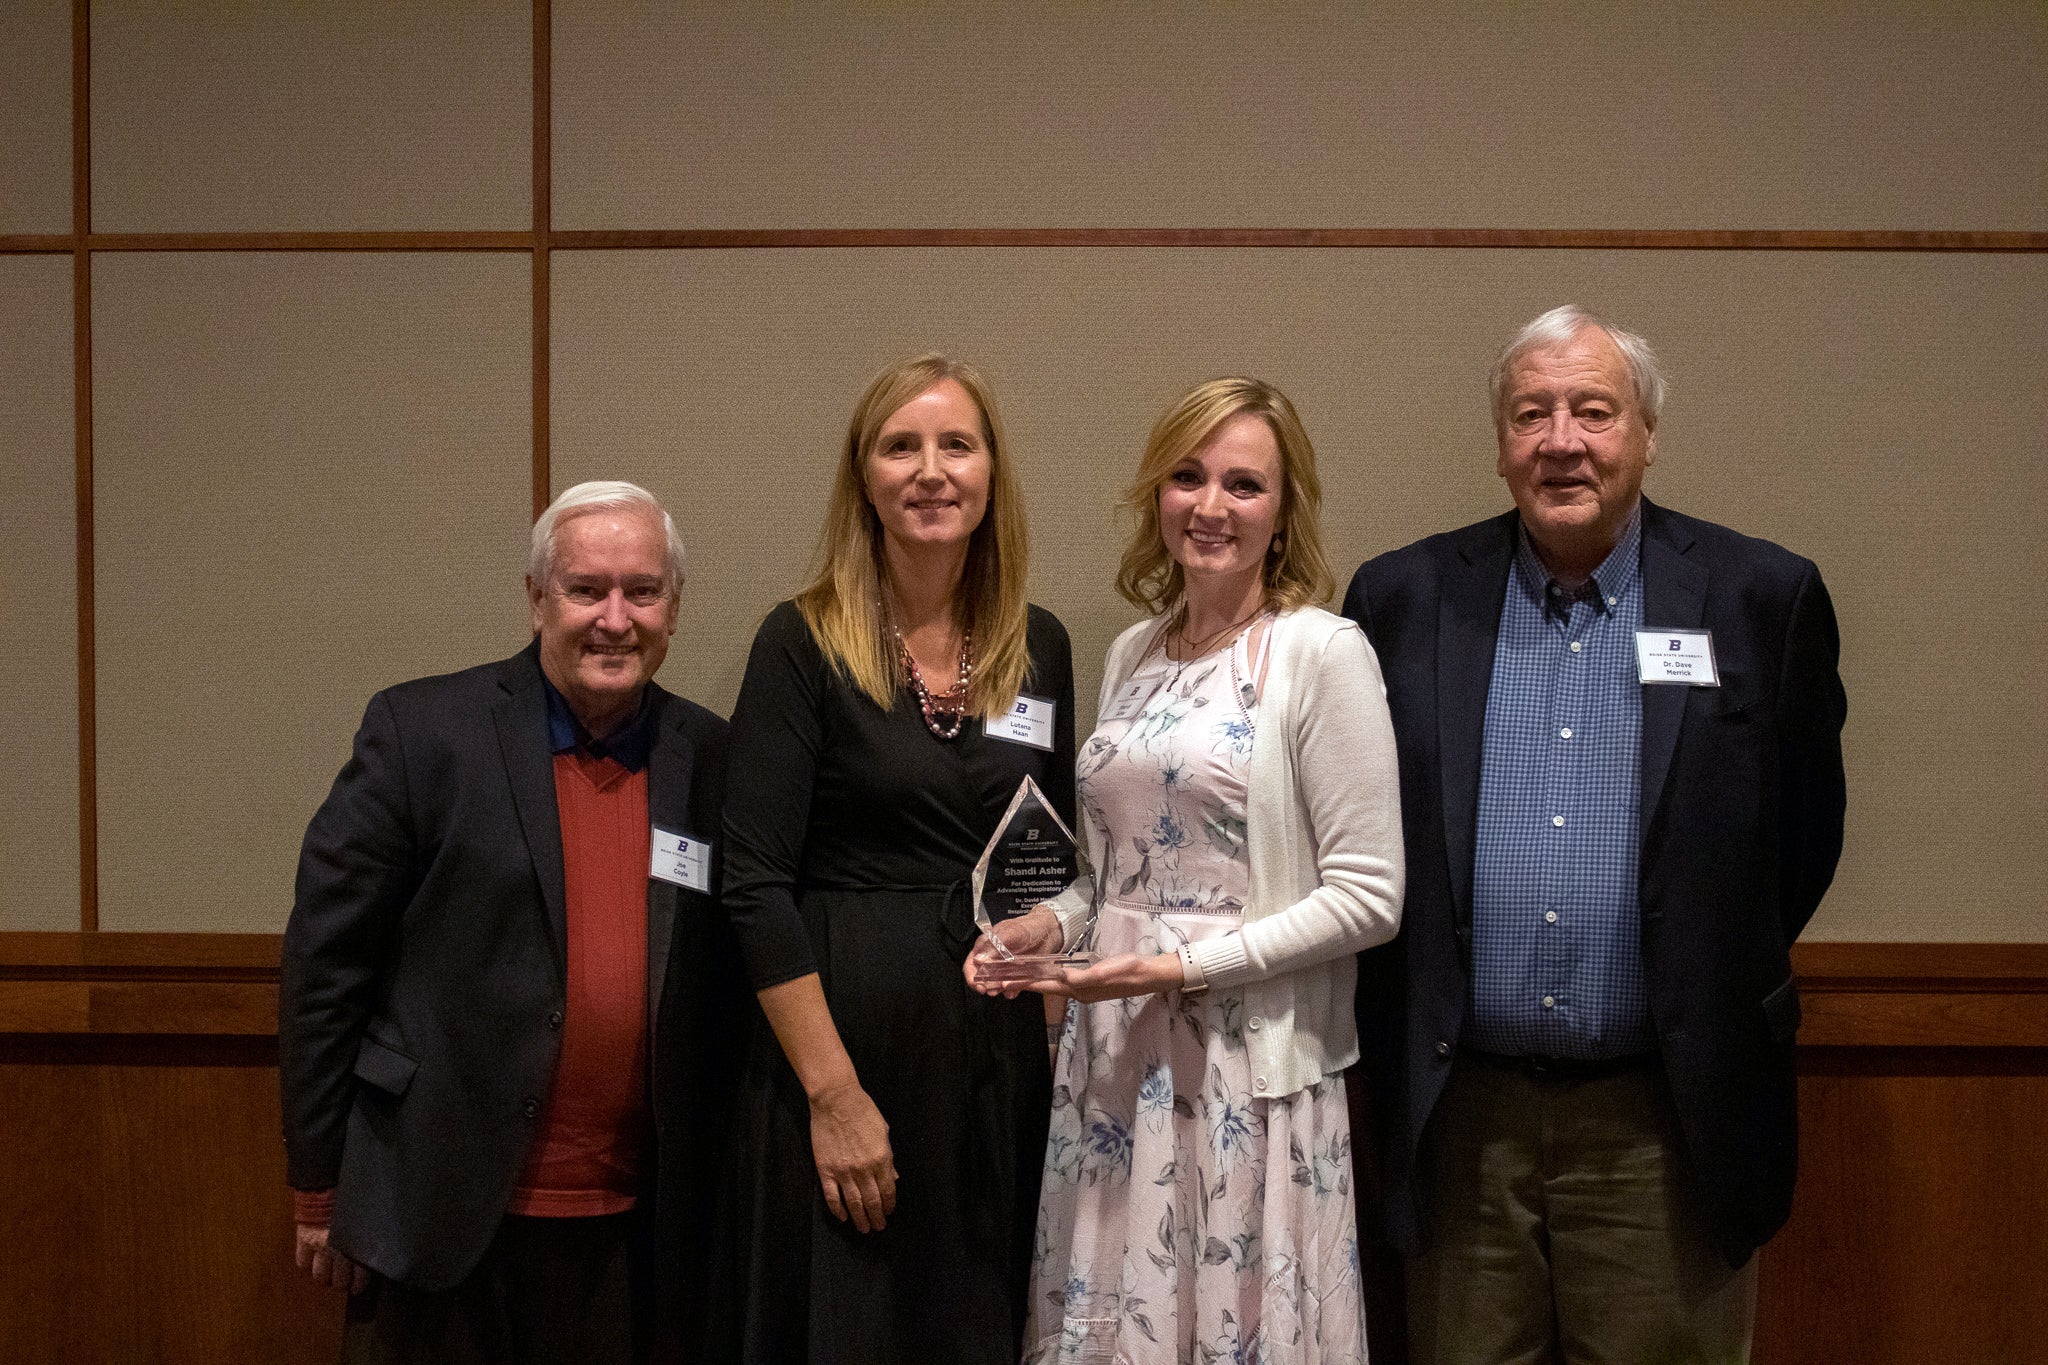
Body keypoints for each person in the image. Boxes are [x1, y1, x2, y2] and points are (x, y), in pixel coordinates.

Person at [1344, 305, 1848, 1363]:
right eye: (1530, 414)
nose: (1559, 440)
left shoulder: (1759, 597)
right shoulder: (1402, 598)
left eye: (1591, 411)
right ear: (1498, 444)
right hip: (1461, 1119)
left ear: (1645, 434)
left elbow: (1800, 837)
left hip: (1664, 1122)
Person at [973, 377, 1405, 1365]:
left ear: (1282, 509)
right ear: (1155, 494)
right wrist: (1053, 922)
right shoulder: (1134, 651)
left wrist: (1175, 971)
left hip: (1244, 1076)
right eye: (1187, 476)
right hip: (1114, 1060)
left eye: (1243, 484)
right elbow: (1112, 872)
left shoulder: (1318, 653)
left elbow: (1368, 896)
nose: (1210, 506)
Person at [279, 481, 738, 1363]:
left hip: (636, 1231)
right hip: (442, 1210)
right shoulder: (423, 732)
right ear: (536, 599)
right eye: (584, 588)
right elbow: (325, 966)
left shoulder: (710, 755)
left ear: (673, 608)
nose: (614, 618)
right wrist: (316, 1181)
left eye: (642, 591)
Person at [710, 354, 1076, 1363]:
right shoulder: (801, 643)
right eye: (899, 446)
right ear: (861, 476)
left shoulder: (1034, 646)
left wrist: (1053, 966)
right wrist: (833, 1098)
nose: (929, 470)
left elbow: (1056, 859)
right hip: (842, 1059)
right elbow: (750, 887)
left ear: (991, 472)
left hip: (989, 1069)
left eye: (955, 444)